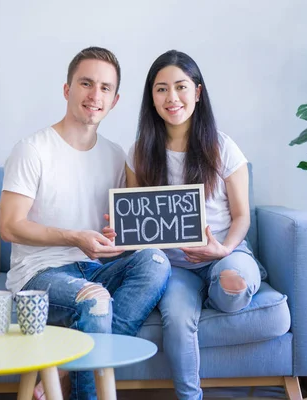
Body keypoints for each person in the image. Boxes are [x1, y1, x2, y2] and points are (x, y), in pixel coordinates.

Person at [0, 46, 171, 400]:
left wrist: (116, 238)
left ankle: (64, 372)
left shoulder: (115, 155)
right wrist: (74, 237)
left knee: (155, 261)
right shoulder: (32, 149)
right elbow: (10, 225)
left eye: (105, 88)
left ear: (115, 100)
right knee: (96, 301)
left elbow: (128, 228)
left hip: (95, 265)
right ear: (67, 89)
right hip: (41, 271)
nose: (95, 95)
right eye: (86, 84)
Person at [123, 50, 266, 400]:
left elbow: (242, 215)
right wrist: (125, 230)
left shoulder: (223, 147)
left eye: (181, 87)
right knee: (177, 317)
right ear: (151, 98)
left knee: (232, 288)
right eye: (161, 89)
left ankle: (222, 284)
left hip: (224, 251)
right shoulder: (140, 152)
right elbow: (136, 220)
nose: (172, 98)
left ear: (198, 93)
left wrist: (224, 249)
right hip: (175, 267)